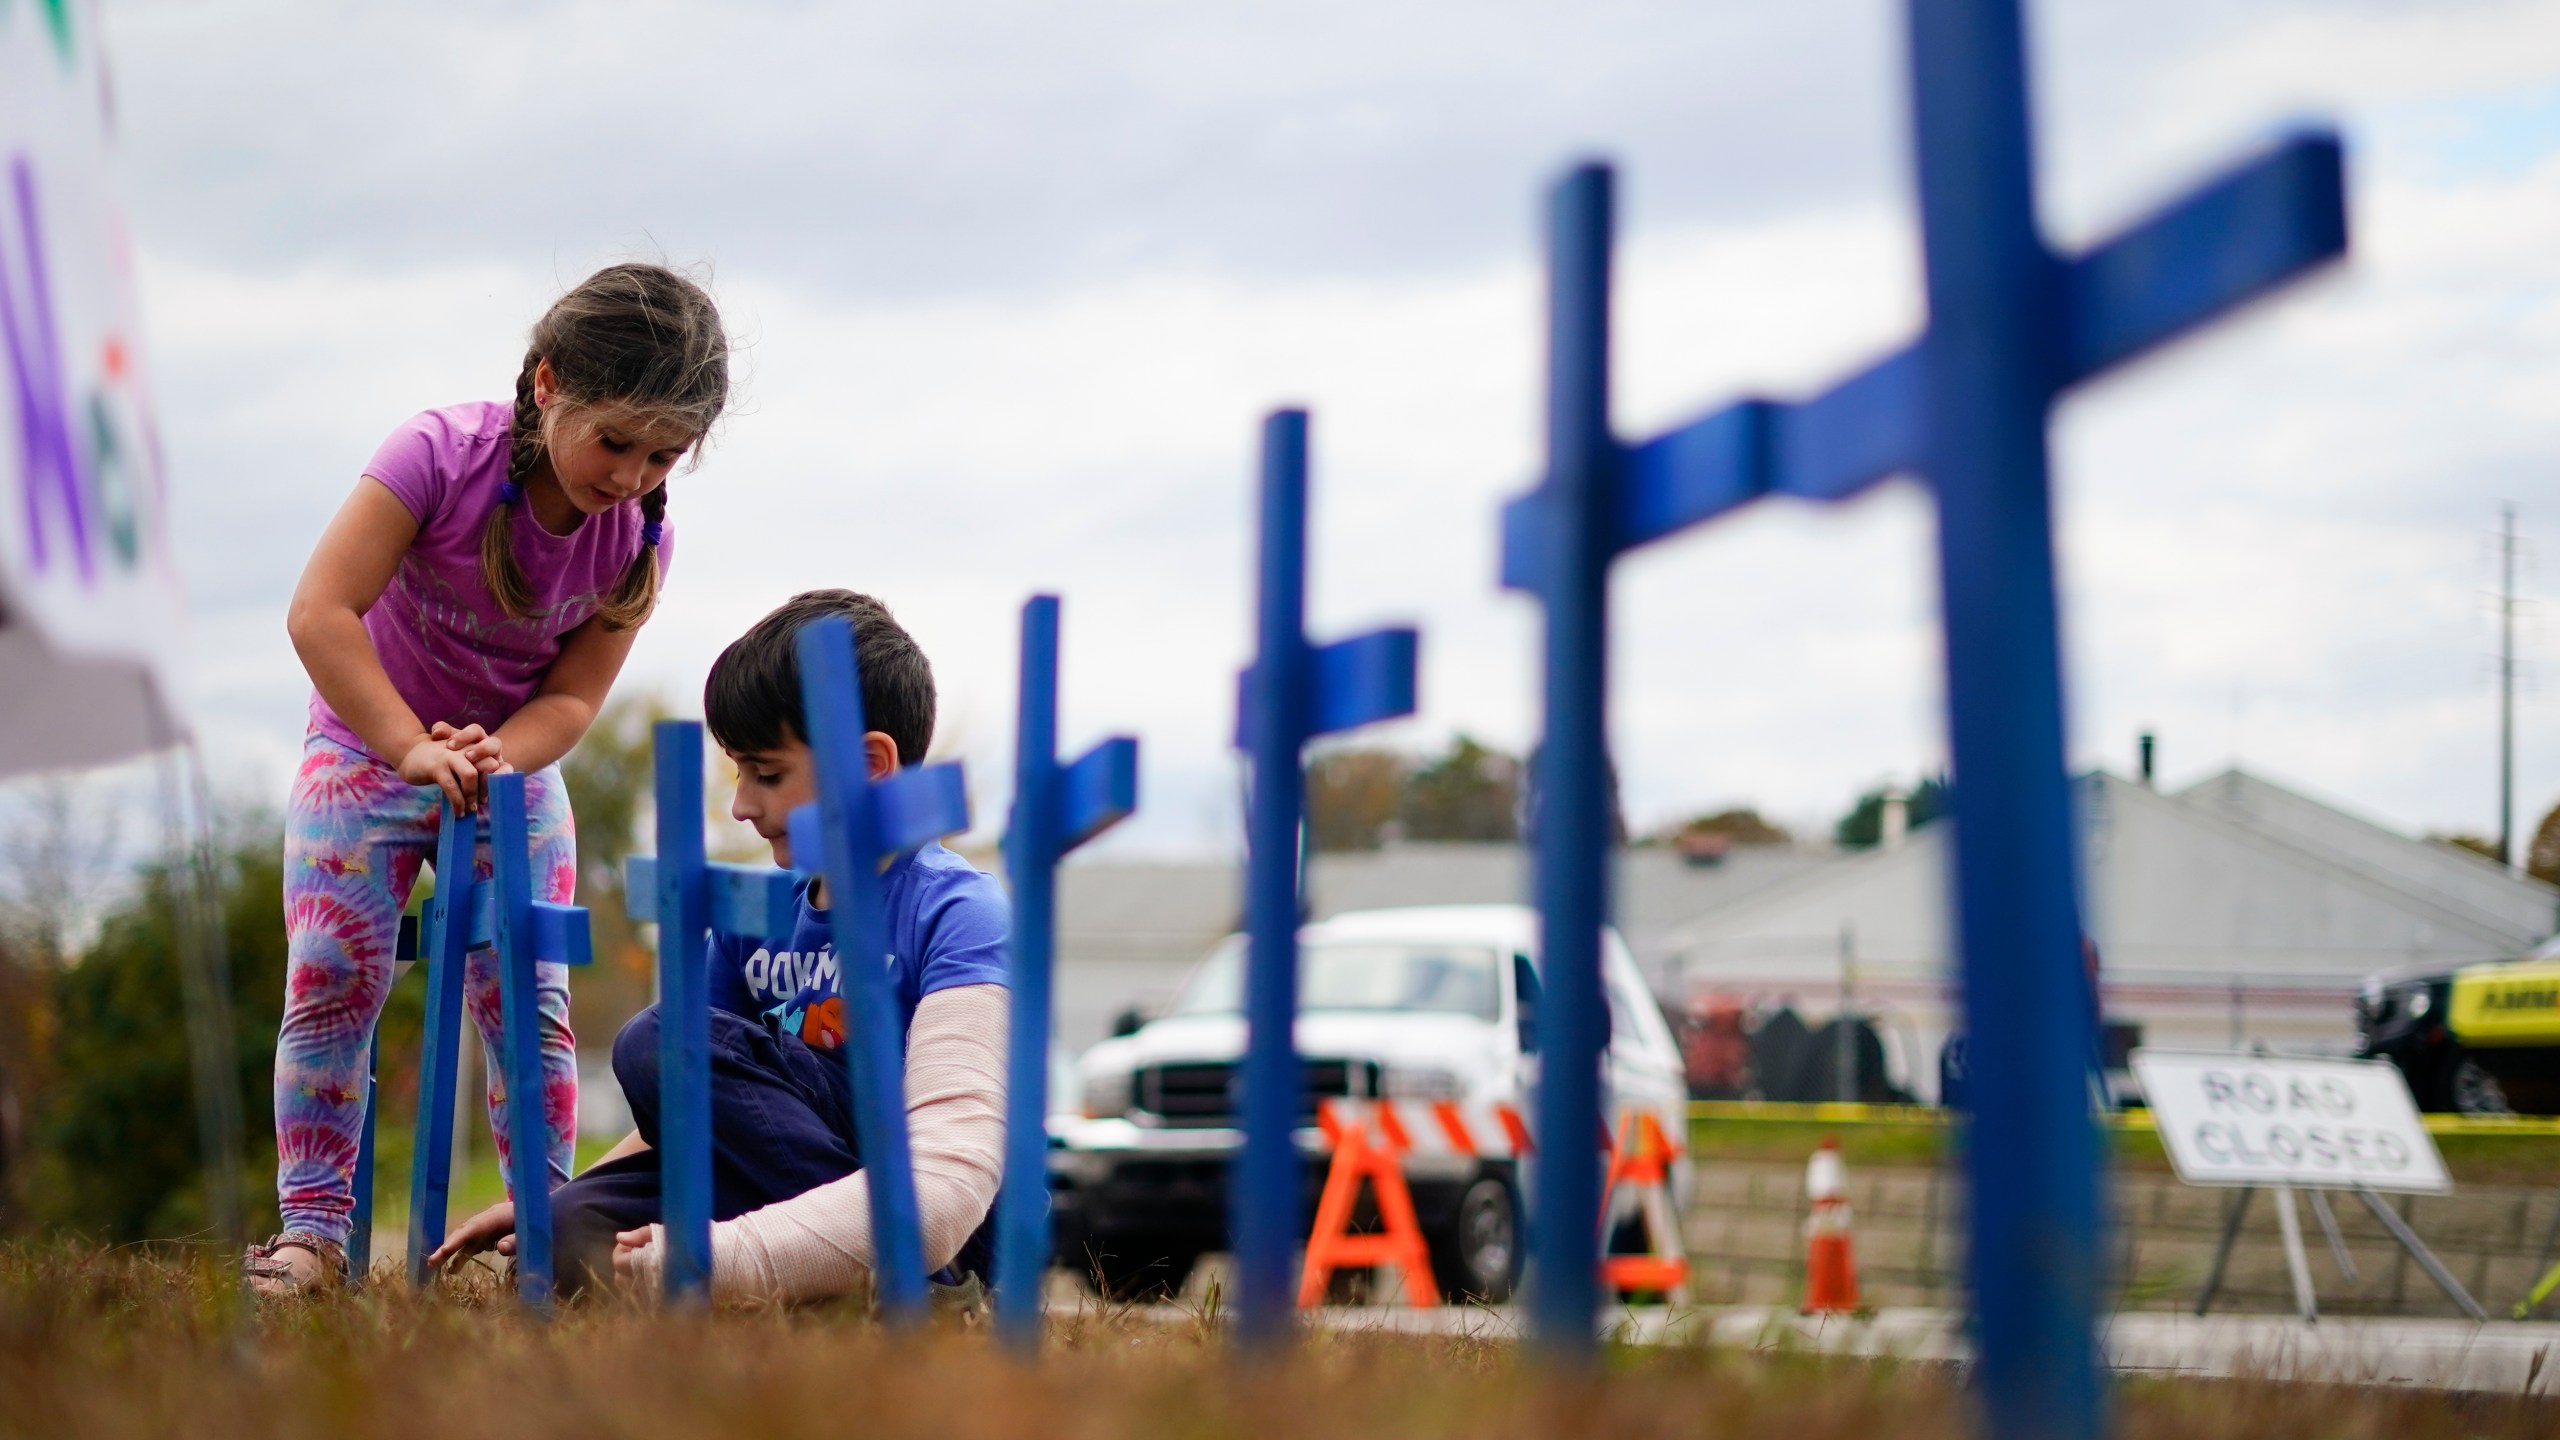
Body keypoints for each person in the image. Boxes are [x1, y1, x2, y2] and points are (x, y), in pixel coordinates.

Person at [247, 265, 730, 1294]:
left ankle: (544, 1231)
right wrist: (409, 746)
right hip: (365, 747)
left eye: (665, 455)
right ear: (549, 383)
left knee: (529, 992)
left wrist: (495, 754)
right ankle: (313, 1234)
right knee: (331, 975)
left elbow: (572, 700)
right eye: (616, 442)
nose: (634, 475)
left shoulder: (640, 538)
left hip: (511, 765)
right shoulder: (433, 456)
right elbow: (320, 613)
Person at [430, 590, 1012, 1303]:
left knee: (658, 1037)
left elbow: (951, 1168)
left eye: (766, 773)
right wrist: (567, 1197)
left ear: (871, 765)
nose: (742, 804)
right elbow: (700, 1096)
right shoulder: (753, 917)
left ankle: (920, 1282)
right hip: (786, 1174)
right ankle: (838, 1274)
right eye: (738, 772)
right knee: (569, 1229)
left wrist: (727, 1255)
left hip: (936, 1204)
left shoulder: (958, 910)